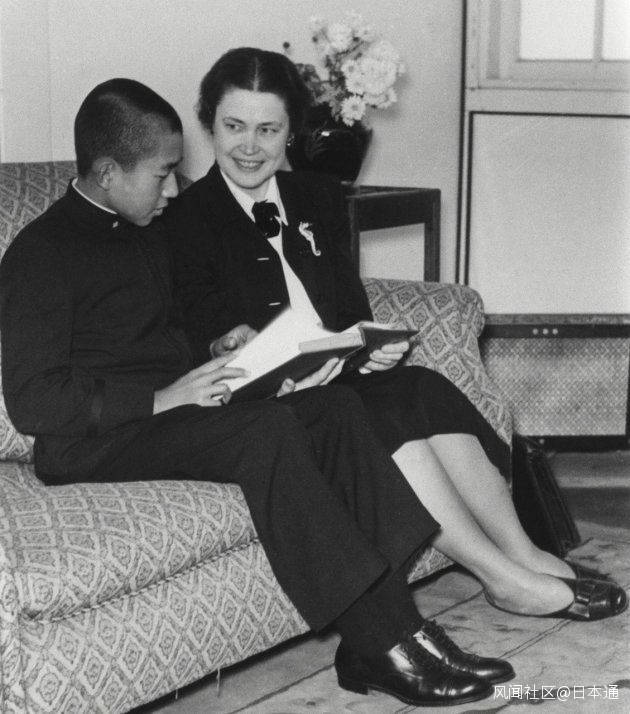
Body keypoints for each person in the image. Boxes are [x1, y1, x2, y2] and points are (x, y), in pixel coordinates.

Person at [0, 78, 520, 708]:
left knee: (332, 408)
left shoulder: (145, 228)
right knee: (266, 432)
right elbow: (33, 400)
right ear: (109, 173)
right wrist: (163, 399)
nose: (174, 190)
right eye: (163, 174)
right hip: (90, 442)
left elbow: (161, 336)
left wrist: (218, 347)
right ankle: (384, 639)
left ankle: (390, 630)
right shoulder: (39, 255)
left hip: (172, 410)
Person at [167, 47, 626, 629]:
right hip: (266, 400)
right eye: (234, 127)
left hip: (332, 375)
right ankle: (498, 577)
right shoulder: (184, 219)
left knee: (419, 387)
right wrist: (235, 350)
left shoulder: (315, 196)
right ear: (209, 125)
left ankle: (524, 552)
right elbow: (197, 336)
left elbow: (347, 307)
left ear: (291, 133)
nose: (250, 147)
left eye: (268, 129)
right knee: (371, 413)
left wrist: (370, 348)